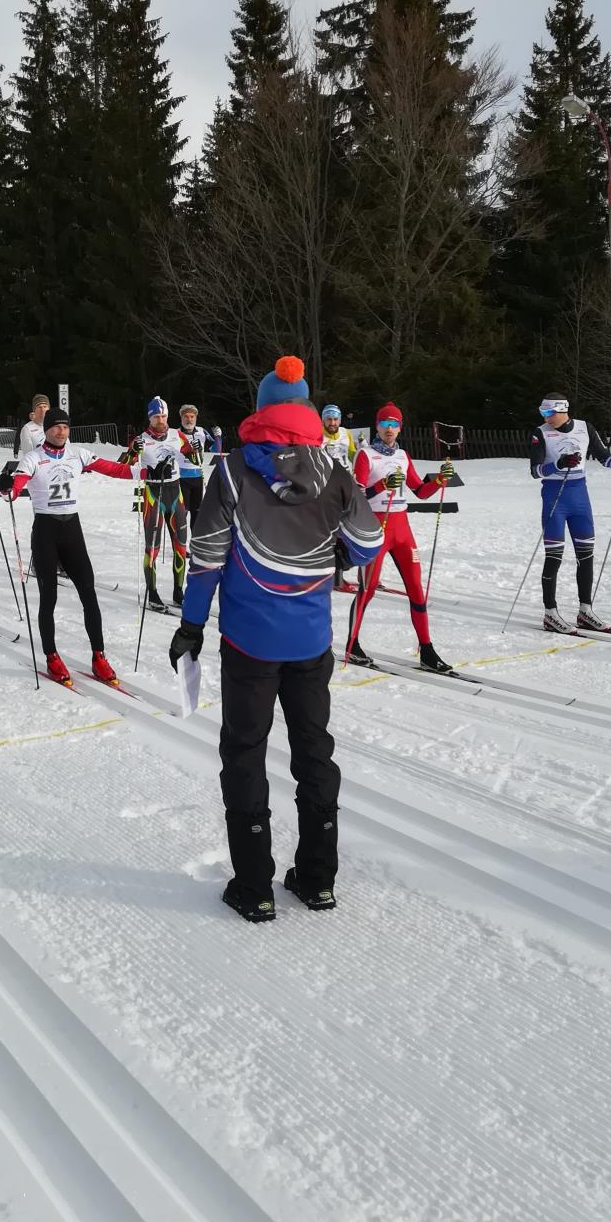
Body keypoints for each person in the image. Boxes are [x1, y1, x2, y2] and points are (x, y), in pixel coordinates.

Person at [170, 356, 383, 922]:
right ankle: (317, 879)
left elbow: (207, 560)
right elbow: (368, 542)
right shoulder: (336, 471)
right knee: (314, 750)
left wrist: (191, 626)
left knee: (245, 752)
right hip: (311, 641)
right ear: (309, 411)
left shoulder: (234, 469)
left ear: (263, 410)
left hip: (249, 642)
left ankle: (254, 886)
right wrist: (325, 560)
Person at [0, 407, 134, 684]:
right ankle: (51, 656)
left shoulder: (78, 454)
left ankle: (99, 656)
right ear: (47, 429)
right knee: (49, 597)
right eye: (56, 427)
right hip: (46, 531)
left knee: (89, 592)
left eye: (65, 427)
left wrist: (147, 471)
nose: (62, 431)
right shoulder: (33, 457)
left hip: (72, 530)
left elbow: (114, 469)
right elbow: (15, 488)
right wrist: (6, 487)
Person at [343, 403, 460, 672]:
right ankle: (352, 643)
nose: (389, 430)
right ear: (377, 427)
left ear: (400, 428)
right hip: (376, 528)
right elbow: (355, 497)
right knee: (368, 588)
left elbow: (420, 490)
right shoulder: (366, 455)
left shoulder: (403, 456)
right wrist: (381, 486)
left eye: (394, 425)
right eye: (384, 424)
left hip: (402, 530)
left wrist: (440, 480)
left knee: (417, 591)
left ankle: (427, 650)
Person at [529, 393, 611, 633]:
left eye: (549, 413)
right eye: (543, 413)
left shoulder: (584, 428)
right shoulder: (540, 433)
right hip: (554, 498)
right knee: (554, 557)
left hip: (579, 498)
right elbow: (536, 471)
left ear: (563, 410)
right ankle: (550, 613)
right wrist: (558, 464)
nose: (546, 418)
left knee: (586, 555)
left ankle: (585, 611)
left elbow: (605, 458)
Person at [127, 398, 194, 610]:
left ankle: (178, 592)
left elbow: (194, 458)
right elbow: (125, 466)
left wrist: (195, 450)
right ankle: (153, 593)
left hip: (175, 493)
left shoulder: (177, 435)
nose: (161, 420)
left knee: (181, 546)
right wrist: (132, 453)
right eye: (157, 416)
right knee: (152, 549)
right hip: (153, 494)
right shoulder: (141, 440)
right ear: (150, 417)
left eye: (164, 416)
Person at [321, 404, 358, 591]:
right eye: (328, 419)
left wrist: (362, 452)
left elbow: (353, 455)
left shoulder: (346, 433)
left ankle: (342, 571)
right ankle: (335, 577)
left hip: (347, 487)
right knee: (332, 533)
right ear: (323, 419)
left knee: (347, 532)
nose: (332, 422)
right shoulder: (317, 435)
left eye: (335, 419)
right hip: (327, 490)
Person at [176, 403, 214, 525]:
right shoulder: (174, 434)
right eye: (186, 416)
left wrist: (218, 437)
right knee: (183, 511)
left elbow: (215, 447)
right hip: (181, 478)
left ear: (196, 418)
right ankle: (180, 541)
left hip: (197, 477)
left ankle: (195, 541)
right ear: (181, 418)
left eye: (192, 416)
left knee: (197, 511)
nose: (189, 419)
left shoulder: (202, 432)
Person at [17, 394, 50, 460]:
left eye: (45, 406)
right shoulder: (27, 429)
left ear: (48, 408)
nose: (42, 410)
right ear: (34, 410)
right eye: (39, 407)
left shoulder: (56, 426)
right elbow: (28, 457)